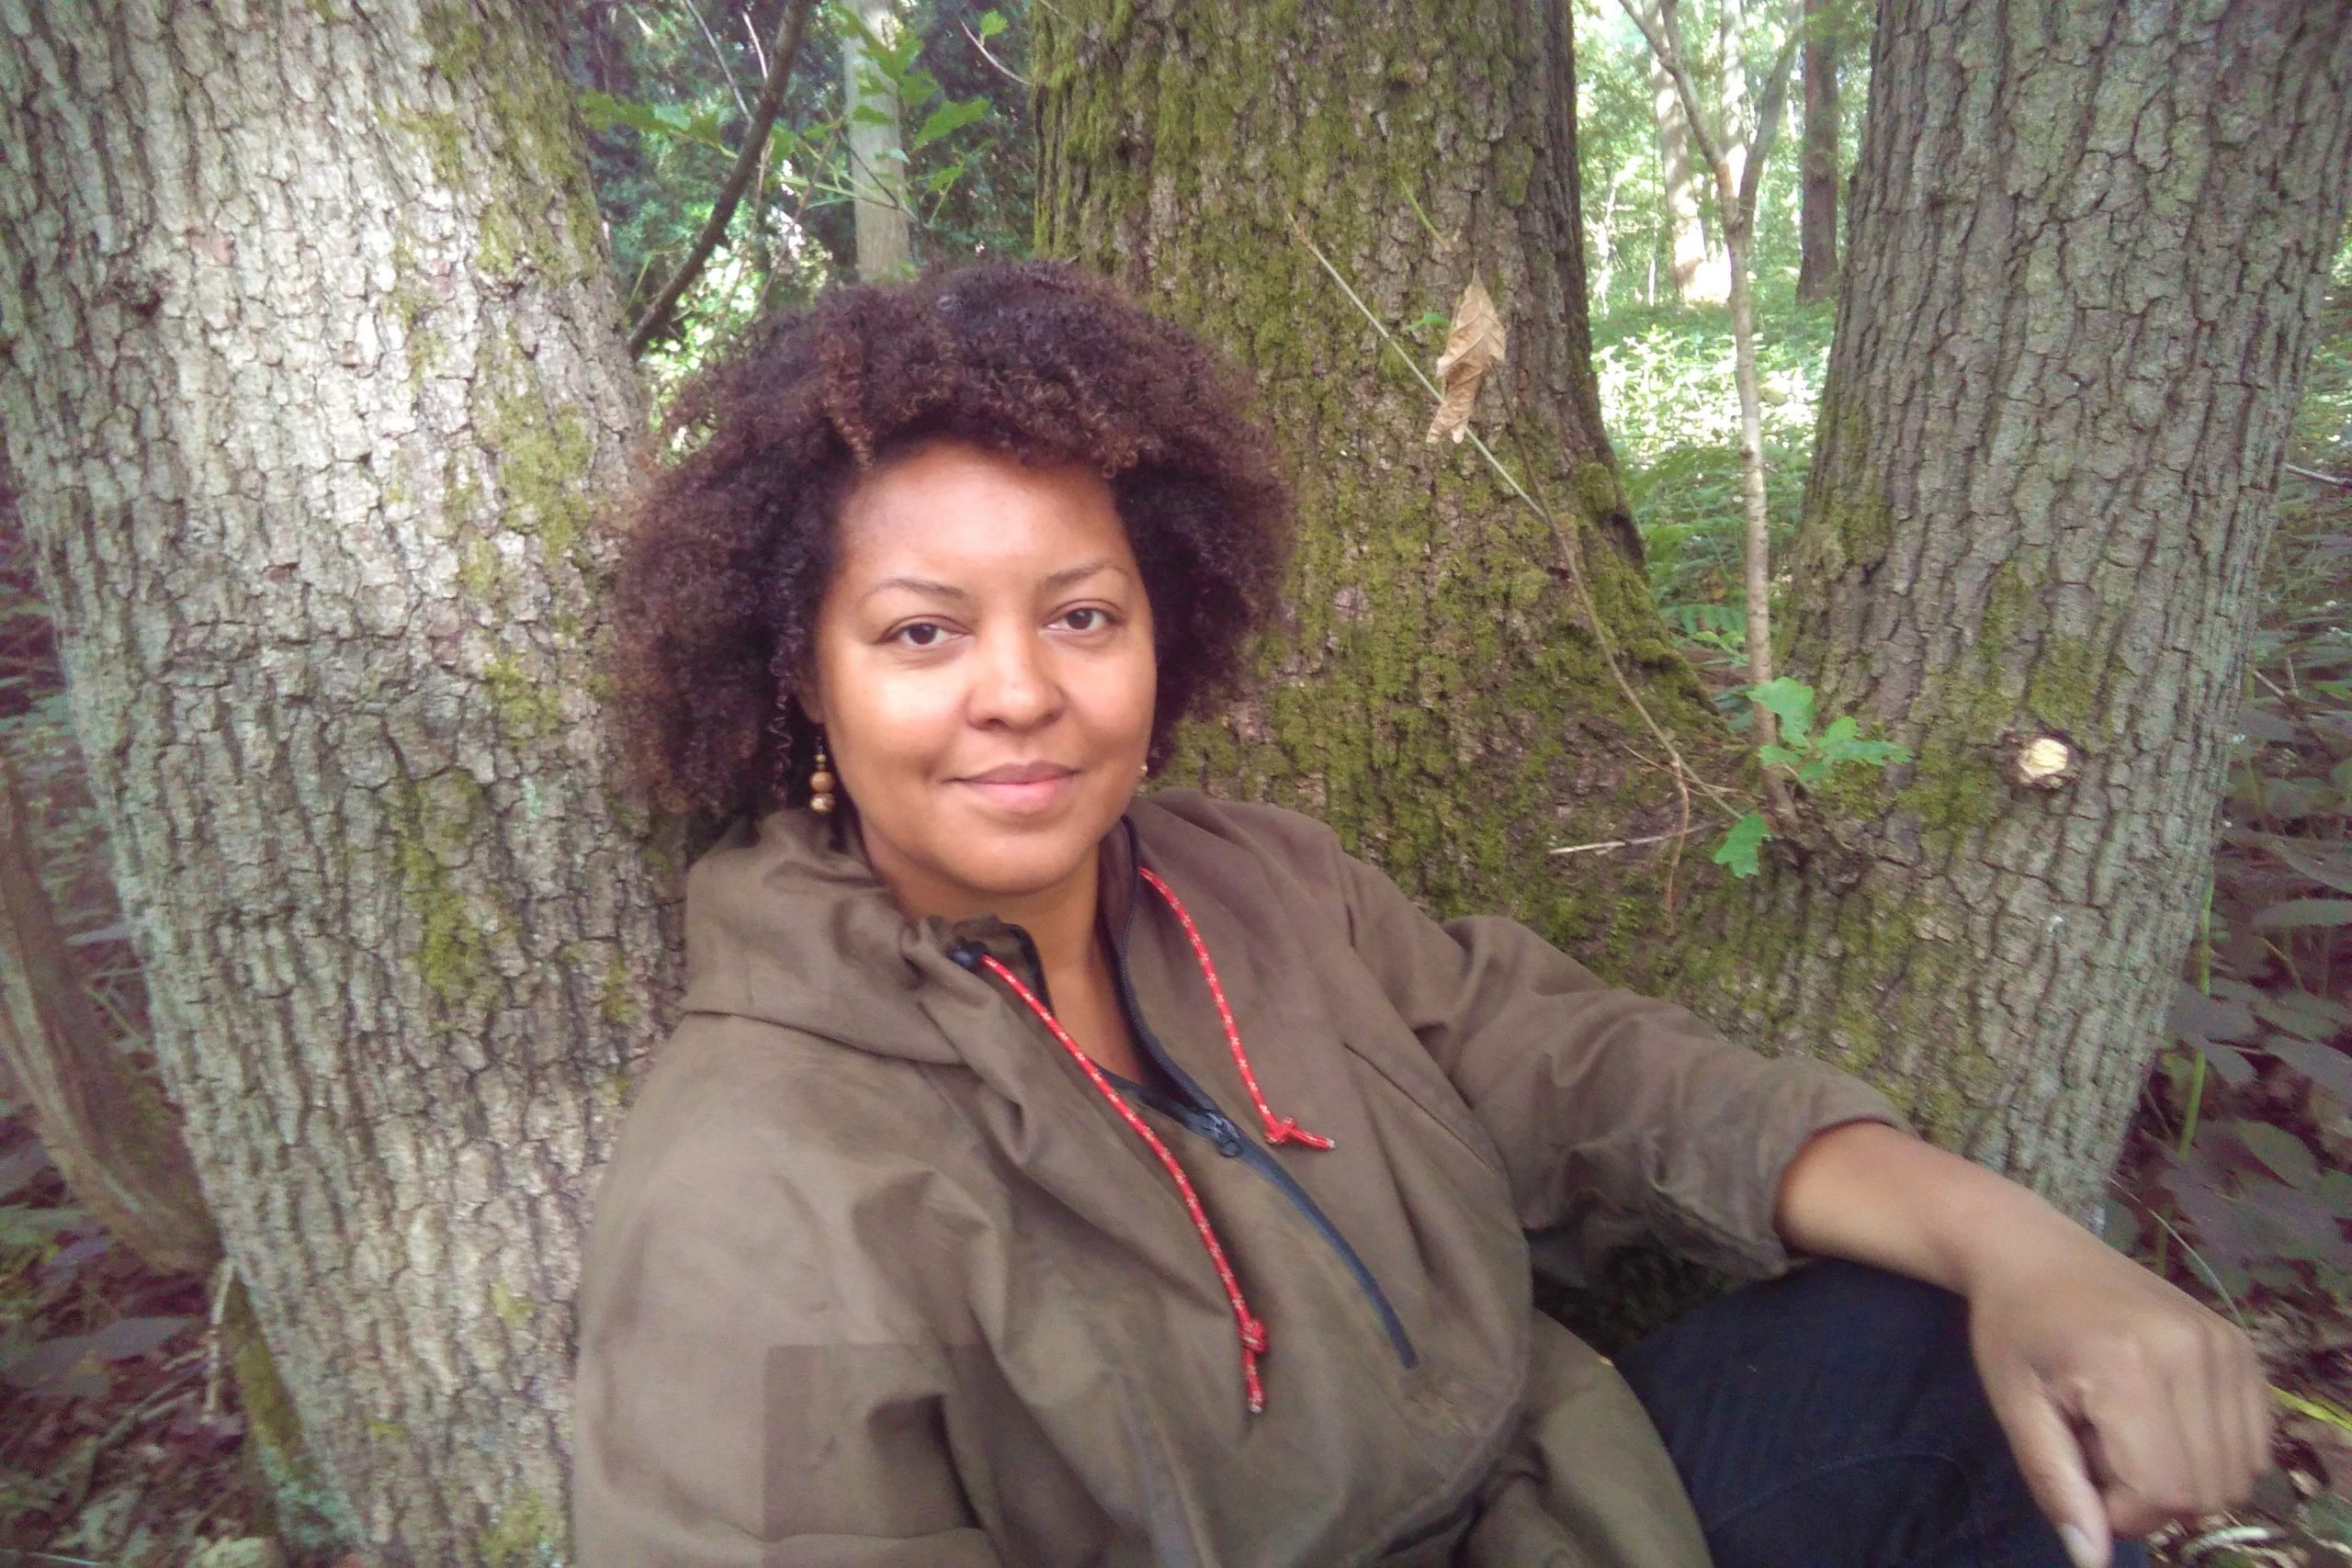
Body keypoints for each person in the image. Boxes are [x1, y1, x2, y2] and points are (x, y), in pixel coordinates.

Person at [571, 261, 2268, 1568]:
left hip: (1563, 1512)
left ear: (1171, 631)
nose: (1020, 692)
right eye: (924, 633)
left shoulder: (1257, 885)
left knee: (1929, 1354)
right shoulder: (756, 1183)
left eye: (1082, 616)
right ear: (799, 677)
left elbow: (1589, 1072)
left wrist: (2019, 1247)